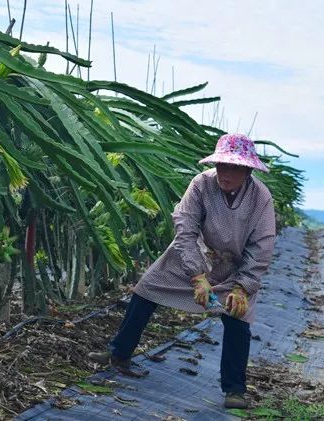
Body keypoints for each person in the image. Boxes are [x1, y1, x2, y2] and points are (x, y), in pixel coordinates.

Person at [89, 133, 276, 410]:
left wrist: (243, 285)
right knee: (147, 289)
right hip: (195, 252)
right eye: (222, 165)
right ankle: (119, 353)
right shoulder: (201, 184)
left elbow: (262, 246)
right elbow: (185, 227)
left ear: (248, 170)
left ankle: (235, 390)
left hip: (236, 267)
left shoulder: (260, 198)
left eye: (234, 167)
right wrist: (197, 275)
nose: (226, 173)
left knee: (237, 316)